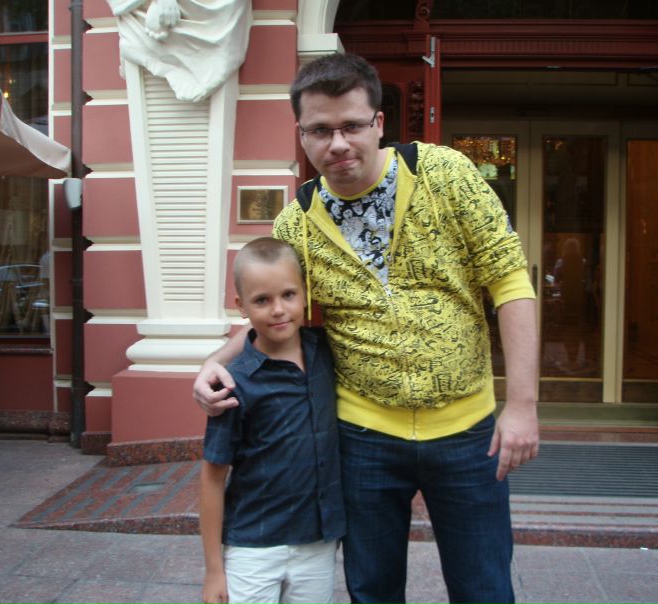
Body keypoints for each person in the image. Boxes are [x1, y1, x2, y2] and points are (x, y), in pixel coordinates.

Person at [194, 53, 539, 604]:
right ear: (301, 135)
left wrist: (521, 405)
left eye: (352, 125)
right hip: (363, 437)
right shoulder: (297, 224)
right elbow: (274, 316)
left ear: (379, 123)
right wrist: (214, 364)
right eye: (320, 130)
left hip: (468, 429)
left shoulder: (445, 174)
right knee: (372, 590)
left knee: (485, 588)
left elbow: (510, 281)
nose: (338, 144)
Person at [199, 237, 345, 604]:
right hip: (253, 547)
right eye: (262, 300)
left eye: (288, 295)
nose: (278, 310)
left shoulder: (327, 352)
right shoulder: (234, 383)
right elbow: (212, 477)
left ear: (305, 294)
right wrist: (214, 569)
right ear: (241, 306)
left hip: (317, 542)